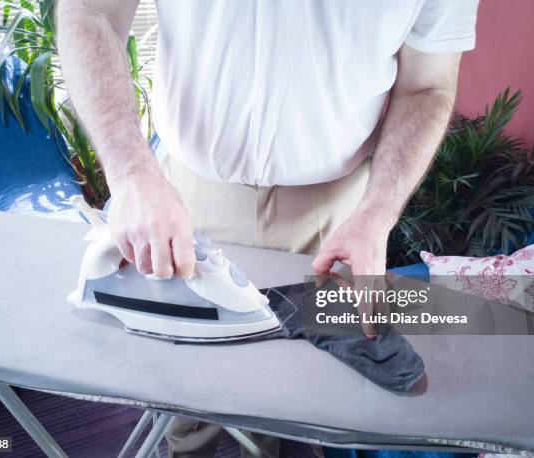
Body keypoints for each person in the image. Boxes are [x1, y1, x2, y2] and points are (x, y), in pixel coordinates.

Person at [56, 1, 479, 456]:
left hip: (336, 223)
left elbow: (427, 85)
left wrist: (377, 213)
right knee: (181, 400)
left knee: (295, 404)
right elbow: (89, 13)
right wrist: (130, 174)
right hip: (185, 198)